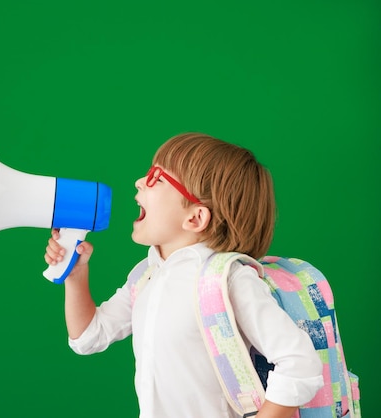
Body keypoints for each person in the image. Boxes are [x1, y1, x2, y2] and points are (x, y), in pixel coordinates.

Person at [44, 132, 324, 418]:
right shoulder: (146, 276)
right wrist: (75, 276)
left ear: (195, 218)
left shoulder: (229, 280)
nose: (139, 182)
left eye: (157, 178)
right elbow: (88, 337)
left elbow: (299, 363)